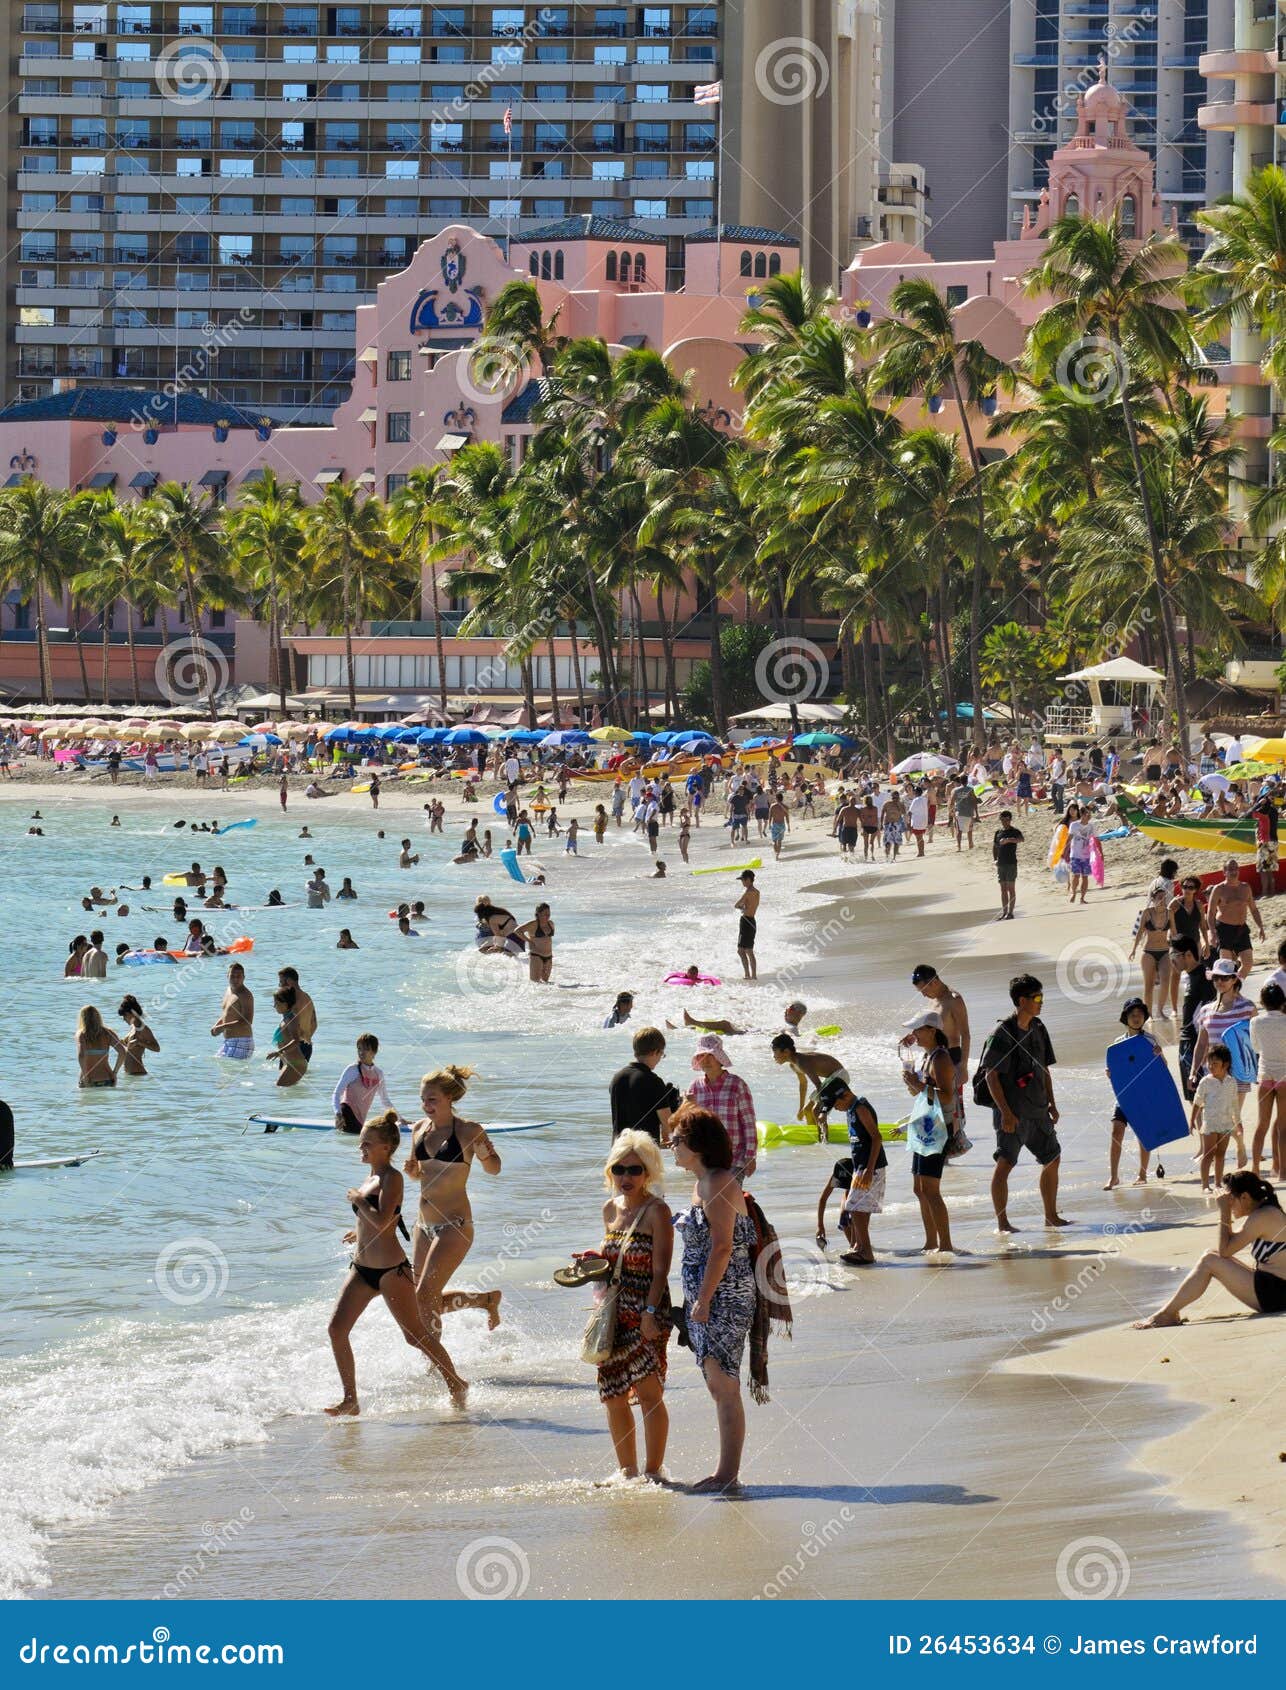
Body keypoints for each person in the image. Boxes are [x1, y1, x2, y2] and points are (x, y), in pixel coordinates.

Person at [325, 1112, 467, 1416]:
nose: (360, 1147)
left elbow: (382, 1220)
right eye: (361, 1142)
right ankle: (351, 1400)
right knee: (336, 1329)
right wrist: (357, 1230)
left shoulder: (393, 1177)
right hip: (362, 1269)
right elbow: (380, 1220)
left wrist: (358, 1201)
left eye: (367, 1143)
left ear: (386, 1147)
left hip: (391, 1271)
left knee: (414, 1336)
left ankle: (456, 1382)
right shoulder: (371, 1177)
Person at [669, 1103, 757, 1493]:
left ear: (698, 1145)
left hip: (725, 1296)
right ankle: (726, 1471)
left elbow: (722, 1247)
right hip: (704, 1297)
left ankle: (727, 1474)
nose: (671, 1145)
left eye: (677, 1140)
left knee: (724, 1384)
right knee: (717, 1383)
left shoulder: (720, 1182)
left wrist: (703, 1301)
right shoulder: (700, 1183)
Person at [594, 1131, 674, 1481]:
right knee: (612, 1393)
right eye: (619, 1169)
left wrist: (650, 1314)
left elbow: (661, 1270)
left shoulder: (657, 1210)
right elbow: (610, 1265)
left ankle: (654, 1471)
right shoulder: (610, 1209)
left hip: (647, 1309)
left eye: (635, 1170)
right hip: (613, 1313)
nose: (626, 1177)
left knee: (647, 1391)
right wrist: (590, 1265)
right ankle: (626, 1471)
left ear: (649, 1173)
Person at [403, 1065, 503, 1338]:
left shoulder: (469, 1131)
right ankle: (485, 1301)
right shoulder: (419, 1129)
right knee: (421, 1300)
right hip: (423, 1226)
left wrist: (486, 1152)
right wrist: (412, 1172)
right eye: (423, 1099)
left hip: (455, 1225)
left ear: (450, 1098)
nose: (426, 1105)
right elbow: (417, 1172)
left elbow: (494, 1168)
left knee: (425, 1296)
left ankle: (436, 1367)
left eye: (432, 1099)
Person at [1135, 1171, 1286, 1326]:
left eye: (1230, 1200)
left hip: (1276, 1294)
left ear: (1245, 1197)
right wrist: (1226, 1212)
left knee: (1210, 1260)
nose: (1228, 1204)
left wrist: (1224, 1212)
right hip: (1271, 1287)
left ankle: (1167, 1314)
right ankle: (1168, 1313)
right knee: (1210, 1254)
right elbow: (1228, 1245)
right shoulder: (1263, 1212)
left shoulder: (1263, 1216)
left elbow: (1225, 1250)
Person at [980, 973, 1068, 1232]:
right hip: (1013, 1113)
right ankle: (1003, 1223)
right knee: (1005, 1164)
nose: (1041, 1002)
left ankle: (1051, 1216)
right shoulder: (1002, 1032)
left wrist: (1052, 1103)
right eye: (1036, 997)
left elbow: (1044, 1068)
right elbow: (990, 1075)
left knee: (1053, 1158)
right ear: (1022, 1000)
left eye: (1041, 996)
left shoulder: (1039, 1028)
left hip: (1039, 1110)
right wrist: (1005, 1113)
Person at [900, 1012, 957, 1255]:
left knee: (930, 1190)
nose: (914, 1035)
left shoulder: (941, 1058)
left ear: (932, 1030)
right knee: (919, 1188)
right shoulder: (927, 1056)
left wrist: (919, 1085)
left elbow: (946, 1095)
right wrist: (913, 1083)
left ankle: (945, 1244)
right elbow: (921, 1094)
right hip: (925, 1125)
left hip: (938, 1128)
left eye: (918, 1030)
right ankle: (931, 1242)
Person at [815, 1073, 885, 1266]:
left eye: (835, 1105)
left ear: (844, 1095)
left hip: (871, 1167)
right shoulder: (850, 1109)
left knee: (853, 1205)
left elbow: (876, 1138)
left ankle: (865, 1251)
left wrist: (869, 1170)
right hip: (861, 1166)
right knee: (858, 1208)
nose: (835, 1109)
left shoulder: (860, 1107)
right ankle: (859, 1247)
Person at [1190, 958, 1254, 1158]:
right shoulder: (1206, 1011)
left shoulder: (1247, 1007)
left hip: (1238, 1072)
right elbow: (1201, 1044)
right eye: (1217, 978)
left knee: (1228, 1116)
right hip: (1213, 1072)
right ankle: (1239, 1146)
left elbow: (1254, 1042)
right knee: (1218, 1117)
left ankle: (1234, 1151)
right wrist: (1193, 1071)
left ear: (1234, 979)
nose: (1220, 982)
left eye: (1225, 978)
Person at [687, 1034, 756, 1179]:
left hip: (734, 1159)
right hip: (704, 1160)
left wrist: (750, 1156)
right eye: (701, 1056)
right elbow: (690, 1126)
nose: (705, 1060)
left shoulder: (737, 1085)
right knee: (707, 1201)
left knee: (728, 1200)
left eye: (709, 1055)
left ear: (719, 1058)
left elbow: (748, 1123)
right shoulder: (695, 1087)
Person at [1105, 998, 1156, 1189]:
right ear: (1126, 1018)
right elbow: (1113, 1071)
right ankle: (1113, 1176)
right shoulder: (1117, 1044)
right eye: (1132, 1015)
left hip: (1144, 1095)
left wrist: (1158, 1055)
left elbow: (1162, 1070)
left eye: (1140, 1015)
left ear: (1144, 1018)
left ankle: (1142, 1174)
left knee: (1143, 1134)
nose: (1136, 1018)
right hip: (1124, 1095)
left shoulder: (1151, 1040)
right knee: (1116, 1131)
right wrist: (1109, 1073)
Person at [610, 1027, 680, 1144]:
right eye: (661, 1054)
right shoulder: (653, 1081)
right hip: (644, 1150)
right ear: (655, 1052)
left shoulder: (617, 1078)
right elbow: (667, 1123)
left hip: (618, 1149)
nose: (660, 1059)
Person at [769, 1033, 846, 1127]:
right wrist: (801, 1108)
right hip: (830, 1079)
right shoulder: (793, 1065)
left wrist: (823, 1108)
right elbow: (803, 1084)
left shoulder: (802, 1062)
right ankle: (815, 1134)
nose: (773, 1056)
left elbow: (818, 1085)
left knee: (816, 1111)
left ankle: (823, 1139)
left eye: (775, 1052)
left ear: (786, 1051)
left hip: (839, 1077)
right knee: (806, 1110)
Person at [1250, 982, 1286, 1178]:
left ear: (1263, 1002)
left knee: (1261, 1124)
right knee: (1283, 1126)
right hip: (1284, 1076)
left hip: (1265, 1075)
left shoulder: (1256, 1022)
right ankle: (1282, 1172)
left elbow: (1256, 1048)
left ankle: (1255, 1169)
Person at [1207, 859, 1265, 976]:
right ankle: (1228, 990)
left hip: (1241, 929)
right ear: (1224, 872)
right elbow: (1211, 912)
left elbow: (1253, 909)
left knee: (1248, 963)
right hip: (1224, 929)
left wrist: (1260, 927)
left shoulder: (1245, 887)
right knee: (1226, 966)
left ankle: (1235, 987)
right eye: (1231, 869)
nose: (1234, 872)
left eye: (1236, 869)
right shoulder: (1219, 889)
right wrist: (1213, 932)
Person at [1194, 1042, 1240, 1191]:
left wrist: (1238, 1121)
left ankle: (1218, 1183)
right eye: (1209, 1063)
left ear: (1225, 1065)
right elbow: (1197, 1102)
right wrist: (1191, 1121)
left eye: (1215, 1063)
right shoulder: (1206, 1082)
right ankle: (1205, 1185)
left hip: (1226, 1123)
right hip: (1210, 1123)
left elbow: (1234, 1104)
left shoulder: (1231, 1082)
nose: (1211, 1066)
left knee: (1221, 1153)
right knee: (1208, 1153)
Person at [333, 1033, 398, 1133]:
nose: (361, 1052)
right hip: (346, 1114)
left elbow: (385, 1099)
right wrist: (338, 1114)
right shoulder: (352, 1069)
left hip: (360, 1120)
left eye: (366, 1049)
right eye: (359, 1048)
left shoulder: (378, 1073)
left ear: (374, 1052)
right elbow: (336, 1093)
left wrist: (400, 1118)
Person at [1129, 879, 1174, 1021]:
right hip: (1148, 952)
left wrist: (1178, 950)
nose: (1161, 900)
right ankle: (1148, 1014)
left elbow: (1175, 933)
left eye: (1163, 897)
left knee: (1166, 981)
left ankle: (1160, 1010)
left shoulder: (1170, 912)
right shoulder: (1147, 913)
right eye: (1158, 897)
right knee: (1148, 985)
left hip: (1165, 951)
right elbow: (1140, 932)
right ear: (1153, 899)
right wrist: (1133, 950)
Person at [814, 1156, 860, 1253]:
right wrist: (820, 1226)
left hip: (860, 1193)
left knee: (854, 1219)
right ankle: (853, 1247)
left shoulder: (858, 1174)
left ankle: (857, 1247)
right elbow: (823, 1199)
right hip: (848, 1194)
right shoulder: (836, 1174)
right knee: (844, 1218)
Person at [210, 961, 254, 1059]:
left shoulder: (245, 995)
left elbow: (247, 1022)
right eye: (232, 976)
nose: (235, 979)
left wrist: (223, 1027)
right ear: (227, 976)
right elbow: (227, 1014)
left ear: (244, 977)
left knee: (230, 1073)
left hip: (242, 1042)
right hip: (228, 1042)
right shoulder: (228, 990)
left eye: (238, 976)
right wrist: (217, 1026)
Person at [77, 1004, 125, 1089]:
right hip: (107, 1078)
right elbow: (122, 1052)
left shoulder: (81, 1034)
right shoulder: (108, 1033)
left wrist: (85, 1076)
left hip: (89, 1079)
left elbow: (81, 1055)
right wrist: (115, 1073)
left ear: (83, 1018)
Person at [992, 809, 1023, 920]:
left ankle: (1010, 912)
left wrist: (1009, 840)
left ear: (1010, 820)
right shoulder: (998, 832)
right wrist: (995, 859)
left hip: (1011, 862)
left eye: (1007, 820)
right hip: (1001, 863)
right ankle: (1004, 912)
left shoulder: (1014, 831)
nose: (1004, 822)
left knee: (1011, 888)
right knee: (1003, 889)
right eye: (1002, 819)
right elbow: (995, 847)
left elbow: (1021, 839)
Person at [117, 995, 159, 1076]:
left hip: (138, 1074)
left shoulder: (143, 1029)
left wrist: (139, 1042)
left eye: (124, 1015)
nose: (124, 1019)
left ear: (131, 1014)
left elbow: (157, 1048)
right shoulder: (133, 1027)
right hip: (130, 1075)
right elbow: (128, 1047)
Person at [516, 902, 554, 983]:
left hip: (549, 956)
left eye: (549, 913)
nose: (548, 916)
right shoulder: (533, 924)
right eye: (545, 914)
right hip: (536, 955)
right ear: (539, 914)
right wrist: (529, 941)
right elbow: (517, 931)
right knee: (535, 983)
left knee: (546, 982)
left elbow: (548, 939)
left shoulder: (551, 923)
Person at [734, 870, 759, 982]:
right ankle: (753, 975)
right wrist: (745, 907)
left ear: (748, 879)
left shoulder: (748, 892)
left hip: (745, 922)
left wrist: (742, 908)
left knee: (741, 950)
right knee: (749, 950)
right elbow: (753, 906)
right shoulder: (757, 892)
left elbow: (736, 905)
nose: (742, 882)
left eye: (743, 880)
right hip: (752, 921)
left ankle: (747, 975)